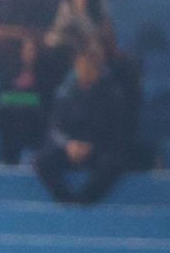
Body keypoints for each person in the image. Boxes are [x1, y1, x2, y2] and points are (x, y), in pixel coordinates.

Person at [34, 46, 132, 204]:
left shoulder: (112, 95)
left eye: (90, 66)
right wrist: (68, 144)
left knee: (113, 163)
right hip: (71, 147)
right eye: (82, 65)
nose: (85, 70)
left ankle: (85, 199)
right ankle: (65, 199)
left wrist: (90, 145)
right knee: (42, 161)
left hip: (98, 148)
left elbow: (115, 131)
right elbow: (55, 126)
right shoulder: (64, 93)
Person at [0, 39, 49, 166]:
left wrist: (24, 98)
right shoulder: (11, 70)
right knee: (4, 111)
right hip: (14, 111)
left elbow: (44, 98)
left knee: (26, 113)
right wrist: (26, 98)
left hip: (36, 114)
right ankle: (8, 158)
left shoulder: (45, 72)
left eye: (33, 50)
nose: (31, 53)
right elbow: (3, 96)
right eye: (28, 50)